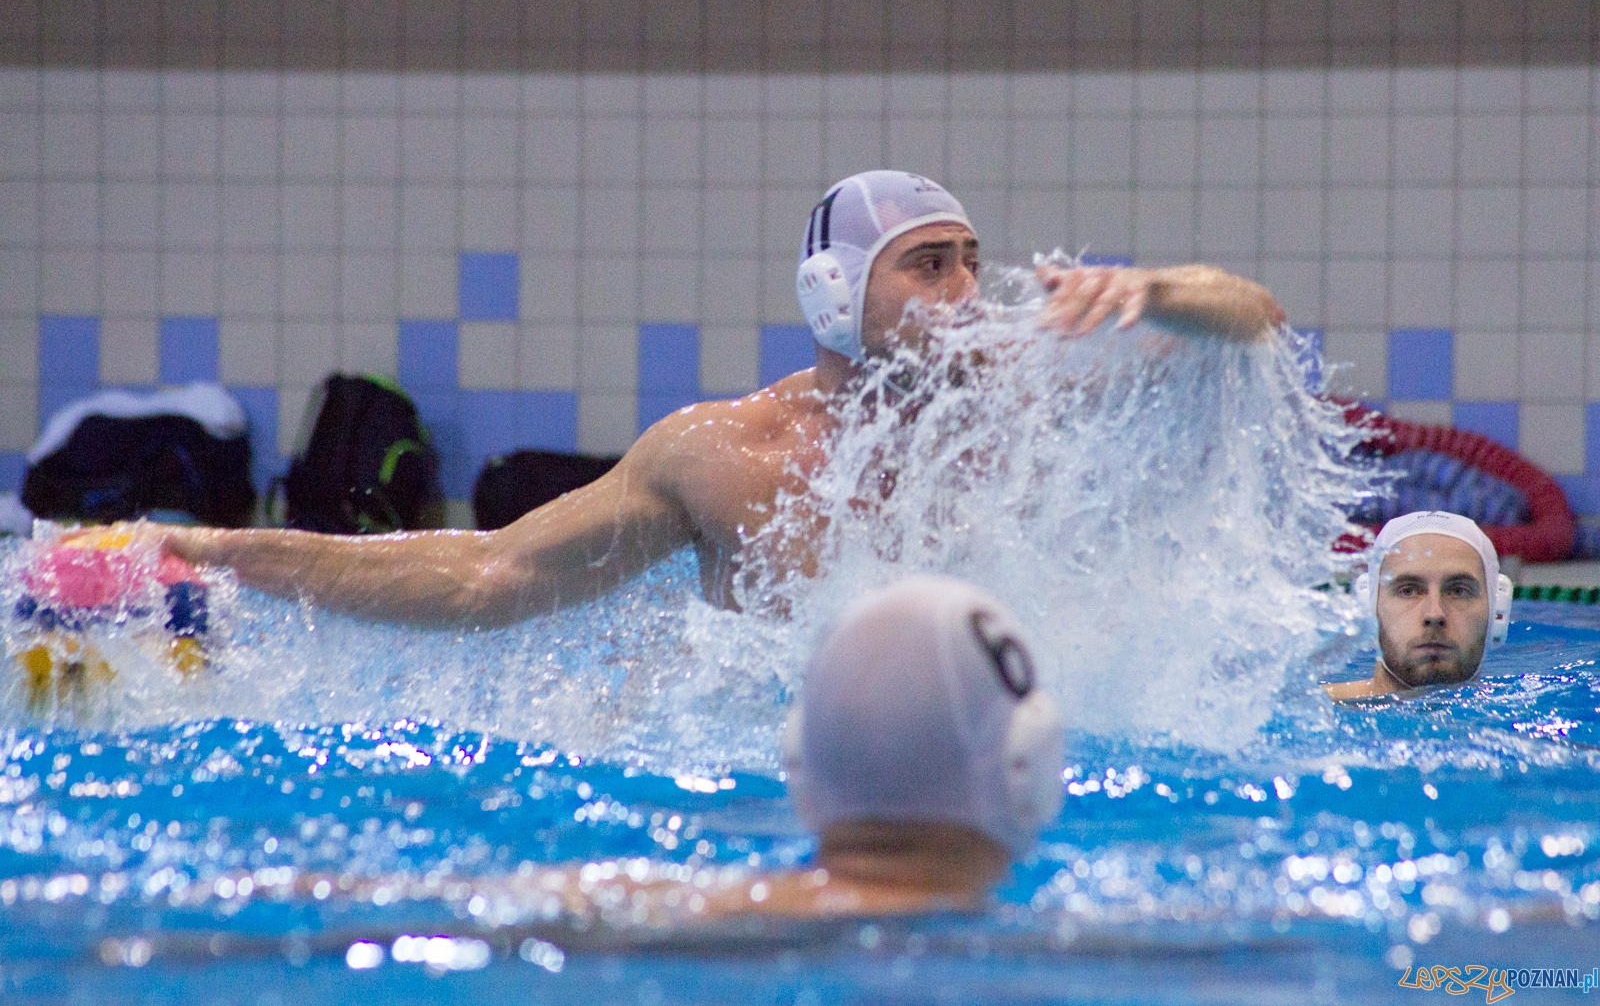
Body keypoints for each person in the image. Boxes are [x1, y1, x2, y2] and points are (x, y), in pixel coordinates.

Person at [117, 170, 1284, 625]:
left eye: (972, 258)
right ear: (834, 293)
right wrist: (220, 548)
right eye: (928, 263)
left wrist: (1157, 288)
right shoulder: (725, 456)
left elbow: (1254, 327)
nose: (967, 289)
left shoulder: (1023, 391)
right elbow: (487, 577)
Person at [195, 578, 1065, 923]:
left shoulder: (658, 905)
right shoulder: (1071, 948)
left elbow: (380, 905)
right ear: (1029, 766)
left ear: (803, 768)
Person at [1323, 511, 1513, 701]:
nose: (1434, 614)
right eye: (1408, 591)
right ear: (1370, 608)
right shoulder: (1306, 710)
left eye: (1458, 591)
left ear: (1496, 610)